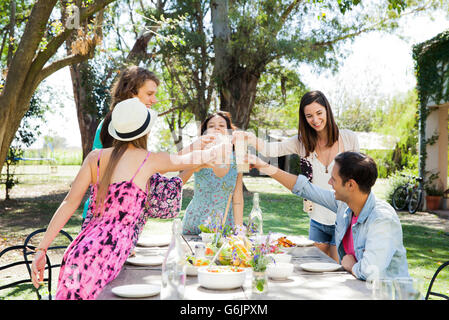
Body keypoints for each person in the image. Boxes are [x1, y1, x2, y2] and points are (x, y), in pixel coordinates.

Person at [31, 98, 230, 300]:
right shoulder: (149, 159)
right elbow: (190, 161)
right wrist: (223, 142)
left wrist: (41, 248)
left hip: (79, 250)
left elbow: (69, 203)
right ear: (146, 131)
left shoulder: (95, 157)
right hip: (107, 252)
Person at [233, 90, 359, 261]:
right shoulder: (302, 142)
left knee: (339, 271)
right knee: (317, 271)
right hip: (317, 220)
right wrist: (249, 138)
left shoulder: (349, 138)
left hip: (343, 221)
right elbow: (271, 150)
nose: (315, 120)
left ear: (327, 111)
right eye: (309, 116)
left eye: (319, 113)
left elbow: (357, 178)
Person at [247, 151, 410, 281]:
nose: (329, 183)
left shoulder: (381, 219)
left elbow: (369, 272)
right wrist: (263, 166)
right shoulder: (345, 205)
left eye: (334, 179)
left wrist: (351, 266)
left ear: (350, 185)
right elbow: (306, 189)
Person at [179, 111, 244, 235]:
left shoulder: (239, 158)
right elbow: (180, 180)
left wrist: (239, 230)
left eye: (221, 125)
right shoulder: (199, 153)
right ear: (205, 132)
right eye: (211, 126)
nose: (217, 128)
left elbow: (238, 197)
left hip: (225, 224)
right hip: (196, 222)